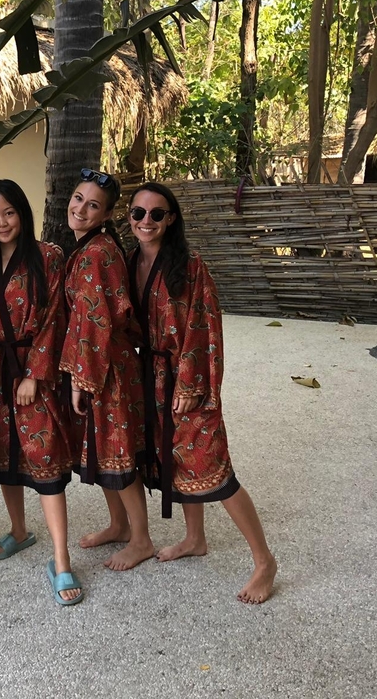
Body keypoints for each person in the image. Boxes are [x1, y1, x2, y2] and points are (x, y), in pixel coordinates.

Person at [126, 181, 277, 604]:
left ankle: (264, 560)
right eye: (138, 213)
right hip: (150, 376)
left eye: (157, 213)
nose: (147, 221)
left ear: (171, 219)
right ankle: (195, 538)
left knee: (214, 466)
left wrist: (192, 385)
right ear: (129, 218)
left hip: (187, 380)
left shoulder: (190, 266)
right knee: (176, 462)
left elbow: (205, 327)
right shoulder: (128, 261)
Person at [0, 179, 81, 606]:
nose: (1, 223)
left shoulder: (48, 257)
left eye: (9, 213)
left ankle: (61, 558)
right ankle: (19, 530)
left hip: (33, 373)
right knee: (8, 456)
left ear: (24, 212)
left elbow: (57, 317)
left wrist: (35, 373)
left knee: (46, 458)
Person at [59, 168, 155, 571]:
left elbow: (95, 320)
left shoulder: (97, 253)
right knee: (104, 450)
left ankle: (142, 539)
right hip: (102, 363)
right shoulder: (89, 248)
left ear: (105, 215)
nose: (81, 209)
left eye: (92, 205)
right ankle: (118, 524)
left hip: (106, 367)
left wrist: (82, 378)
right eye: (79, 198)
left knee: (119, 453)